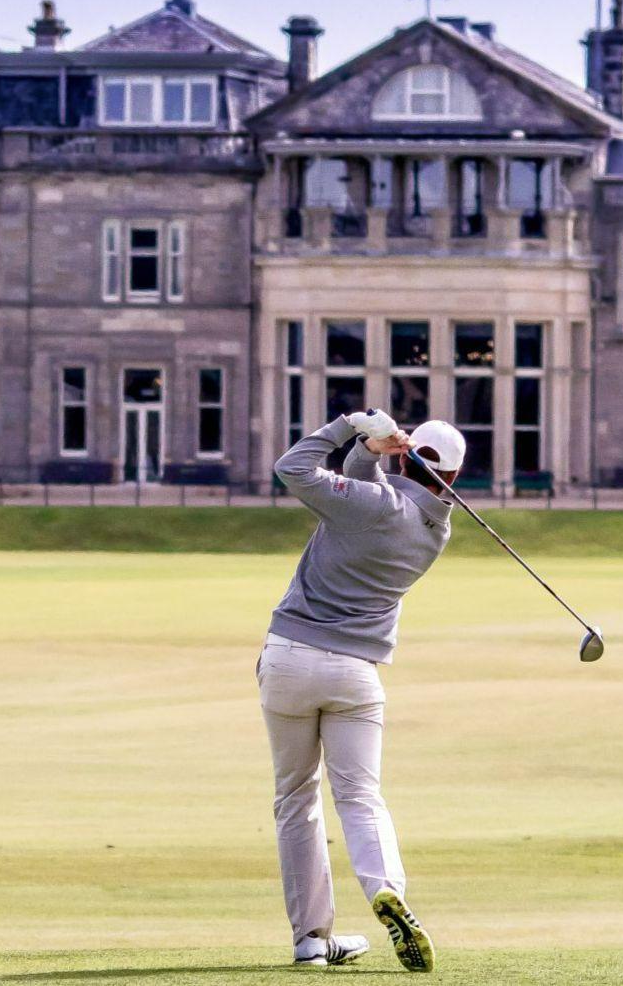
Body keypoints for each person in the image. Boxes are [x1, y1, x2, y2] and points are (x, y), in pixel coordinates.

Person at [260, 408, 455, 972]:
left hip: (290, 658)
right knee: (361, 796)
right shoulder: (434, 529)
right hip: (356, 674)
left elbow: (292, 468)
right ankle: (384, 890)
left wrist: (349, 425)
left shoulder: (369, 506)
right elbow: (364, 489)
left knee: (296, 799)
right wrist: (373, 453)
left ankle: (311, 941)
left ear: (408, 455)